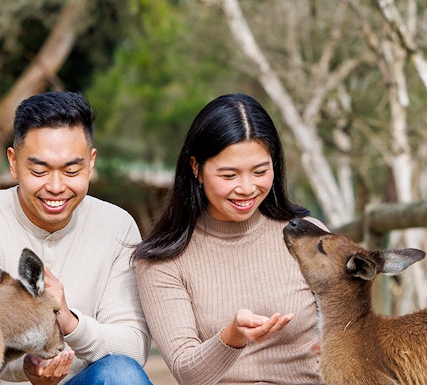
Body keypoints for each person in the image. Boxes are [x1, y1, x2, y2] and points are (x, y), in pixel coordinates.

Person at [0, 91, 152, 385]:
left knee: (122, 374)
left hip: (88, 381)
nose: (56, 186)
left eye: (71, 170)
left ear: (91, 164)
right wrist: (29, 364)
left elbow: (133, 347)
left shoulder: (118, 227)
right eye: (39, 170)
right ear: (13, 162)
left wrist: (70, 322)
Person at [133, 93, 325, 385]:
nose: (247, 188)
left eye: (260, 171)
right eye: (229, 175)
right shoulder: (162, 261)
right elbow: (186, 372)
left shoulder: (307, 236)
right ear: (196, 168)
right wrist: (231, 337)